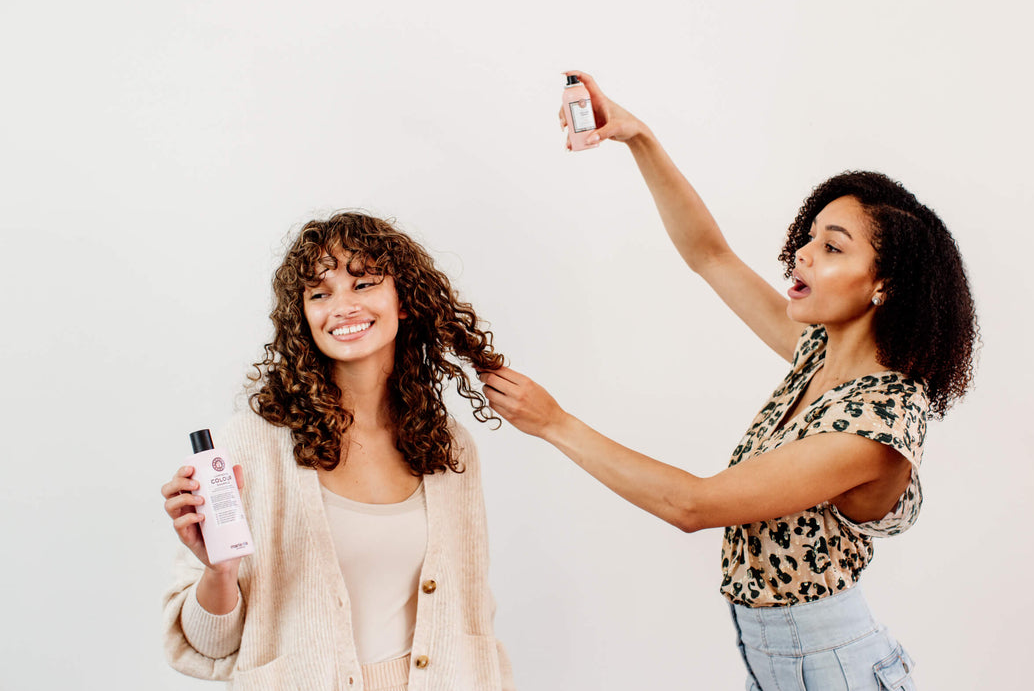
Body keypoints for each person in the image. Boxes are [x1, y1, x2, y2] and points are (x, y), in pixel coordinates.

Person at [480, 72, 977, 691]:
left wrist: (553, 423)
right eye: (809, 237)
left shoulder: (878, 422)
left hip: (831, 667)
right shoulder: (817, 352)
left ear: (885, 286)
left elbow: (694, 505)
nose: (802, 253)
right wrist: (638, 137)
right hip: (774, 663)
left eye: (833, 247)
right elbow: (708, 254)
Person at [162, 212, 515, 691]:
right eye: (319, 293)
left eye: (364, 283)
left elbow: (472, 616)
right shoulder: (253, 444)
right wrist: (219, 572)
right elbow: (208, 647)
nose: (343, 306)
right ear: (303, 316)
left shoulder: (447, 445)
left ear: (404, 300)